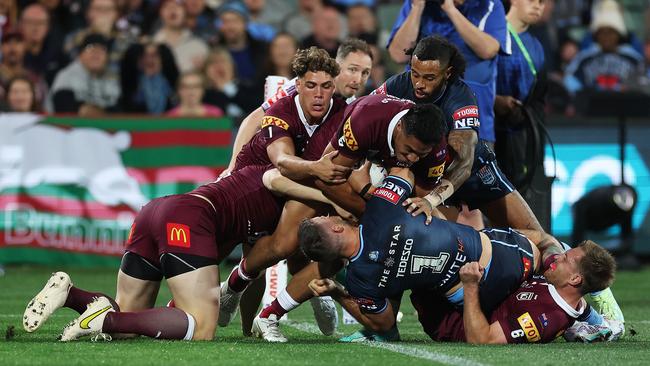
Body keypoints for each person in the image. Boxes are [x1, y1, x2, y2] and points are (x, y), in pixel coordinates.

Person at [221, 97, 450, 342]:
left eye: (420, 154)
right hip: (323, 166)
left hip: (369, 183)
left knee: (343, 251)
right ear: (401, 127)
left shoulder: (436, 149)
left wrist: (433, 218)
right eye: (409, 150)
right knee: (285, 244)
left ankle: (269, 315)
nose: (413, 158)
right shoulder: (368, 118)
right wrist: (370, 209)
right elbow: (327, 176)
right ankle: (234, 284)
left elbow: (422, 198)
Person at [22, 164, 285, 341]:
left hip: (154, 210)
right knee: (201, 327)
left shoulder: (249, 161)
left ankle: (70, 295)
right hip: (187, 218)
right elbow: (269, 253)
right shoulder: (279, 182)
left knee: (128, 319)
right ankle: (105, 320)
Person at [301, 168, 552, 335]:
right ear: (335, 228)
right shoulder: (379, 209)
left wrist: (337, 292)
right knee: (544, 242)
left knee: (427, 304)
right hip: (498, 258)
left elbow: (384, 323)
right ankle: (585, 307)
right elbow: (405, 170)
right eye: (323, 218)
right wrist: (368, 167)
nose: (328, 214)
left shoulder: (359, 280)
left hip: (469, 300)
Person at [373, 36, 542, 233]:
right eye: (415, 74)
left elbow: (464, 164)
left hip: (474, 173)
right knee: (441, 240)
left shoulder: (461, 99)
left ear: (447, 73)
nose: (419, 84)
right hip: (430, 175)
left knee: (535, 235)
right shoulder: (396, 85)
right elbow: (365, 114)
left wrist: (430, 201)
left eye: (429, 78)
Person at [409, 240, 616, 344]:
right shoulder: (565, 292)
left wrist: (470, 285)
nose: (559, 258)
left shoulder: (543, 318)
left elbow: (482, 339)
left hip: (447, 317)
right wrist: (605, 325)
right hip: (480, 289)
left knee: (410, 246)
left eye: (565, 259)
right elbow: (583, 309)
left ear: (575, 279)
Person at [221, 38, 373, 178]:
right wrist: (232, 167)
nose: (358, 79)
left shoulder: (353, 108)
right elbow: (254, 119)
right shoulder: (301, 85)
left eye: (365, 73)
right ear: (338, 66)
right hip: (277, 160)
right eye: (353, 69)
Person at [387, 0, 507, 146]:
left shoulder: (489, 4)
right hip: (418, 122)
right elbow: (398, 54)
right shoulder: (416, 4)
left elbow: (488, 49)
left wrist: (450, 8)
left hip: (472, 122)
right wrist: (417, 8)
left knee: (466, 164)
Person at [494, 0, 547, 191]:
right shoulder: (492, 34)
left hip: (521, 135)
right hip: (490, 131)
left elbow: (539, 98)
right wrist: (494, 100)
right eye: (532, 0)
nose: (537, 7)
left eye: (542, 2)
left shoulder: (537, 46)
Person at [563, 0, 644, 94]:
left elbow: (644, 82)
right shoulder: (584, 58)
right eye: (602, 32)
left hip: (624, 105)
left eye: (610, 32)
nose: (606, 37)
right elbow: (570, 79)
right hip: (592, 106)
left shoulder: (633, 59)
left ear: (618, 35)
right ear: (596, 35)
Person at [47, 33, 121, 115]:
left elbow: (119, 111)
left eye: (102, 49)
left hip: (102, 126)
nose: (96, 53)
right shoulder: (67, 75)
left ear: (107, 57)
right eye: (90, 48)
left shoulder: (111, 78)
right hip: (68, 126)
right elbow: (65, 108)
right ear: (80, 55)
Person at [120, 41, 179, 114]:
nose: (149, 60)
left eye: (154, 55)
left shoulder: (173, 84)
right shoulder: (131, 84)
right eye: (144, 55)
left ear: (162, 59)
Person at [153, 0, 209, 73]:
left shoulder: (200, 46)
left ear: (185, 12)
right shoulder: (151, 45)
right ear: (160, 13)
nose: (172, 9)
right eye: (166, 6)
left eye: (177, 6)